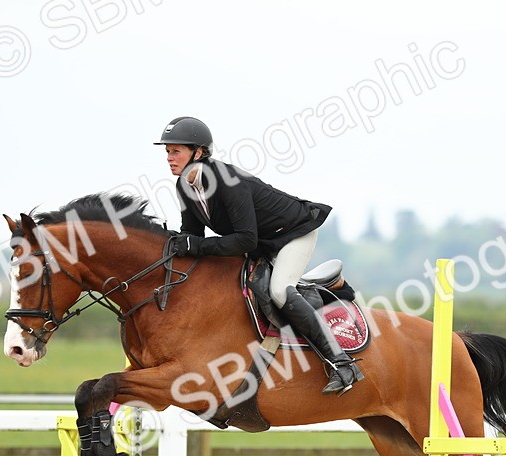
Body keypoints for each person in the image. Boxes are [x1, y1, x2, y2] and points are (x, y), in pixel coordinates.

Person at [155, 116, 364, 395]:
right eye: (167, 152)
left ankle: (342, 363)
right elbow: (194, 236)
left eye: (175, 151)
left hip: (292, 233)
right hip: (262, 242)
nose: (169, 157)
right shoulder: (184, 186)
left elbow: (244, 239)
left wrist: (193, 246)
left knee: (279, 291)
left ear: (199, 152)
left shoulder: (228, 182)